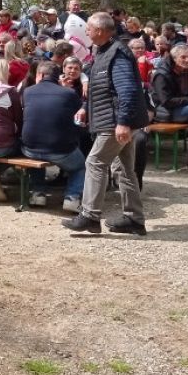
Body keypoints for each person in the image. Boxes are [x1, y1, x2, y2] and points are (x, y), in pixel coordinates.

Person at [61, 12, 148, 236]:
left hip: (115, 121)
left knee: (95, 162)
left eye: (89, 28)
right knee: (124, 169)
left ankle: (90, 216)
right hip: (114, 119)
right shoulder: (103, 52)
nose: (86, 31)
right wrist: (86, 107)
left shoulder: (117, 54)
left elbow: (126, 90)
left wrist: (124, 122)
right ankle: (134, 219)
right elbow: (101, 88)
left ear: (99, 31)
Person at [21, 61, 86, 213]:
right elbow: (77, 114)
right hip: (60, 149)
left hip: (30, 147)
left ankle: (38, 193)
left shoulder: (28, 92)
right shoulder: (69, 93)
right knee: (80, 166)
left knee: (36, 153)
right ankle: (72, 198)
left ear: (41, 75)